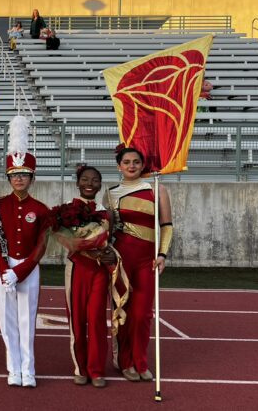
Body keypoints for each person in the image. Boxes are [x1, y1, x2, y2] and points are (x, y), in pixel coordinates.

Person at [0, 115, 48, 388]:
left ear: (31, 177)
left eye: (23, 175)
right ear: (8, 177)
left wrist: (20, 271)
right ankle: (13, 368)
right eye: (14, 175)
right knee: (7, 320)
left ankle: (28, 369)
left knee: (27, 320)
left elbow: (41, 247)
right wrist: (4, 270)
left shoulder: (42, 209)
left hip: (28, 268)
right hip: (4, 267)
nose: (19, 179)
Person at [104, 146, 172, 382]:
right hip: (121, 259)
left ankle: (140, 360)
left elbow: (166, 225)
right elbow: (107, 230)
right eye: (126, 162)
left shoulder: (157, 189)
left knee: (142, 314)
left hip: (147, 261)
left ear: (143, 165)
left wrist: (162, 254)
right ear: (119, 166)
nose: (131, 166)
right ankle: (124, 361)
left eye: (135, 162)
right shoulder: (110, 193)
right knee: (121, 311)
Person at [64, 165, 111, 388]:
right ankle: (80, 368)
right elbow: (66, 240)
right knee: (77, 321)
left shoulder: (107, 213)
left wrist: (107, 253)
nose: (89, 183)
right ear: (78, 183)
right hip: (77, 269)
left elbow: (112, 244)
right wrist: (81, 245)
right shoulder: (67, 210)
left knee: (97, 320)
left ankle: (97, 369)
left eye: (94, 180)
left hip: (100, 270)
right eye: (85, 179)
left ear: (101, 185)